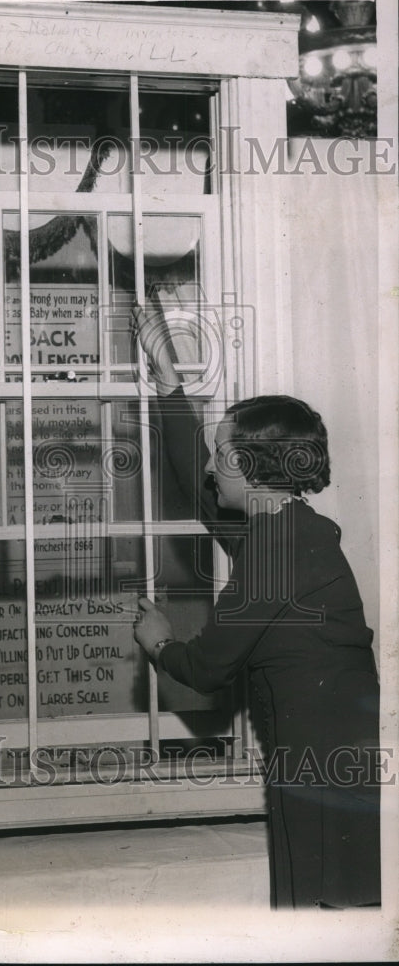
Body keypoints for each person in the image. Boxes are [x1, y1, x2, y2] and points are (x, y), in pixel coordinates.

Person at [131, 306, 381, 910]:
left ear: (246, 467)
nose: (214, 464)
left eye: (223, 453)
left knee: (331, 906)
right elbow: (199, 482)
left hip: (325, 761)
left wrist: (158, 642)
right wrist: (168, 382)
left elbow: (208, 666)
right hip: (321, 750)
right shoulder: (284, 526)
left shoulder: (275, 551)